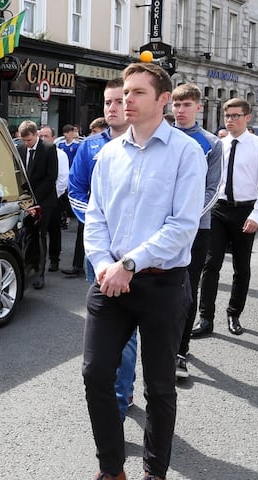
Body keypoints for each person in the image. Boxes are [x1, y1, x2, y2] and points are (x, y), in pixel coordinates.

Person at [82, 62, 205, 480]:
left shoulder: (186, 153)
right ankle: (111, 469)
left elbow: (183, 227)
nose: (126, 100)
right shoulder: (109, 153)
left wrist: (129, 263)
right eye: (124, 93)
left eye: (137, 93)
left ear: (163, 100)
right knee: (95, 373)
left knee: (158, 387)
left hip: (161, 283)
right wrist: (105, 265)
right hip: (110, 281)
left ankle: (155, 472)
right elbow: (95, 218)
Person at [69, 79, 138, 421]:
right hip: (97, 252)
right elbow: (76, 190)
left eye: (117, 101)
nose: (111, 108)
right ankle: (116, 390)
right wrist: (98, 230)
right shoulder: (90, 148)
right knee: (106, 327)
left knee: (127, 332)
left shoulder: (152, 148)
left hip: (134, 258)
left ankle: (121, 394)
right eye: (107, 103)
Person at [192, 98, 258, 337]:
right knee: (210, 264)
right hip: (217, 208)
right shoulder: (219, 145)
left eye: (236, 116)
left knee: (241, 266)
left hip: (245, 210)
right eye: (227, 116)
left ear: (247, 117)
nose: (230, 120)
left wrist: (257, 215)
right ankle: (206, 317)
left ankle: (234, 313)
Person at [170, 83, 222, 380]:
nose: (180, 110)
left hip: (196, 228)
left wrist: (186, 217)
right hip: (160, 226)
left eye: (186, 105)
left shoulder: (211, 143)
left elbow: (213, 189)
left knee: (187, 289)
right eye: (176, 105)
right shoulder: (161, 136)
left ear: (198, 107)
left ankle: (180, 350)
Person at [16, 120, 58, 289]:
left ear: (36, 135)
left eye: (29, 140)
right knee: (27, 236)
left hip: (44, 201)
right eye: (23, 141)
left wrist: (34, 199)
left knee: (40, 236)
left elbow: (51, 177)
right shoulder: (19, 149)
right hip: (25, 202)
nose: (26, 144)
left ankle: (40, 274)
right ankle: (28, 269)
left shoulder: (49, 149)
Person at [38, 125, 69, 271]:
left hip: (55, 198)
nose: (43, 139)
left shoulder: (60, 154)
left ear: (53, 138)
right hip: (39, 199)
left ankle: (54, 259)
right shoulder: (37, 153)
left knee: (54, 230)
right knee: (40, 232)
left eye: (46, 136)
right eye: (41, 136)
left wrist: (51, 197)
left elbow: (62, 179)